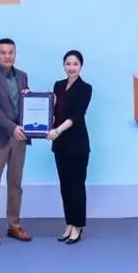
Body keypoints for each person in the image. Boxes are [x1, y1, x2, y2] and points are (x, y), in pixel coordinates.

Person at [0, 38, 32, 246]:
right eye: (3, 52)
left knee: (15, 184)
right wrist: (12, 128)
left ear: (15, 54)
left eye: (11, 52)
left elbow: (25, 105)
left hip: (19, 137)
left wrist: (30, 97)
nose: (7, 56)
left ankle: (14, 225)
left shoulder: (22, 76)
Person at [46, 49, 93, 244]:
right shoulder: (58, 85)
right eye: (68, 63)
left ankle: (78, 226)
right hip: (60, 145)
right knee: (65, 186)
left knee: (77, 186)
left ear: (81, 66)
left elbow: (77, 115)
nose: (71, 67)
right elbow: (51, 109)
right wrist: (30, 96)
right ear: (63, 65)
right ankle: (69, 223)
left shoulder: (85, 88)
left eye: (75, 64)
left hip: (77, 144)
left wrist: (57, 130)